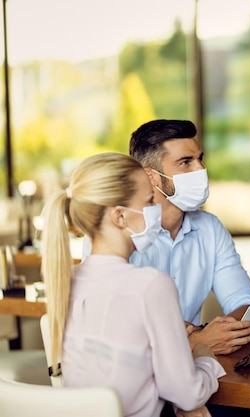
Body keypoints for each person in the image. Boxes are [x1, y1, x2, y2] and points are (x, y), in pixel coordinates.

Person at [41, 152, 225, 417]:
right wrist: (204, 358)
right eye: (150, 201)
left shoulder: (66, 280)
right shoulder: (151, 285)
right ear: (120, 217)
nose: (156, 210)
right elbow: (185, 394)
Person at [128, 119, 250, 355]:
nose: (200, 169)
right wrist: (195, 342)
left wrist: (218, 333)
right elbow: (118, 327)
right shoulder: (118, 232)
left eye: (200, 158)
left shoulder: (210, 229)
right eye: (185, 162)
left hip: (190, 376)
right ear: (151, 177)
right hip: (131, 376)